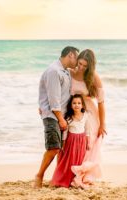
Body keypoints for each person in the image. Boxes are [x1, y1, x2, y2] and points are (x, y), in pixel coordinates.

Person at [34, 46, 79, 188]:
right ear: (71, 55)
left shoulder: (66, 71)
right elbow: (54, 100)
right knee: (54, 148)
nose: (77, 61)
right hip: (53, 115)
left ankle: (58, 178)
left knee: (60, 149)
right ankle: (39, 175)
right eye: (76, 57)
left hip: (61, 115)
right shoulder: (54, 71)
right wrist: (60, 119)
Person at [69, 49, 107, 188]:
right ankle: (71, 173)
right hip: (73, 112)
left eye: (86, 66)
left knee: (87, 144)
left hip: (90, 114)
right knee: (72, 143)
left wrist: (102, 124)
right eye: (80, 63)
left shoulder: (94, 77)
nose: (82, 67)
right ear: (77, 60)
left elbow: (101, 103)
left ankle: (84, 175)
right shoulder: (70, 72)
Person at [51, 94, 90, 188]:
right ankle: (66, 179)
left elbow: (87, 129)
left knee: (79, 160)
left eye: (79, 103)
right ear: (71, 105)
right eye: (74, 103)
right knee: (70, 160)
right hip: (71, 141)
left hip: (81, 140)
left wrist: (88, 142)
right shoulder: (69, 117)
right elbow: (65, 132)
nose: (76, 105)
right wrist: (63, 143)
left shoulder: (85, 115)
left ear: (82, 105)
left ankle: (76, 179)